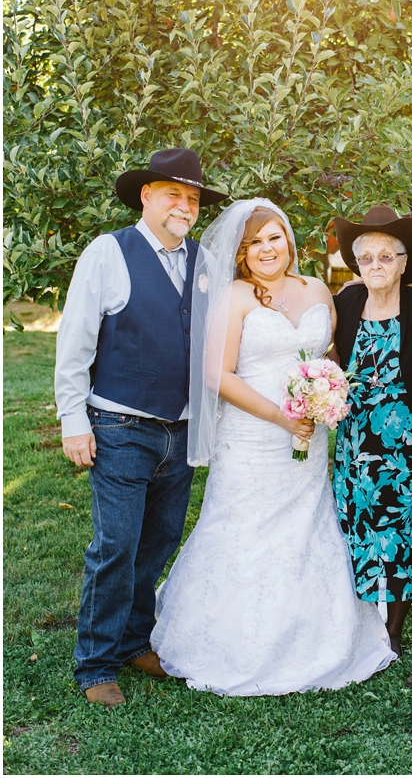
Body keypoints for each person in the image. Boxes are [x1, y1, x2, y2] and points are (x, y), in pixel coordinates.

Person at [151, 199, 398, 695]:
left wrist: (328, 399)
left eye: (274, 237)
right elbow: (217, 375)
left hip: (310, 436)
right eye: (254, 243)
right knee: (243, 525)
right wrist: (282, 417)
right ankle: (230, 642)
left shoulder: (316, 289)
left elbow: (332, 358)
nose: (267, 249)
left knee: (306, 524)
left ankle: (314, 637)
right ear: (241, 253)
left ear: (289, 240)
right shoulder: (236, 297)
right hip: (251, 437)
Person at [55, 148, 227, 706]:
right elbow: (74, 343)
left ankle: (133, 641)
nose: (184, 205)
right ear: (146, 196)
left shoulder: (204, 261)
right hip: (119, 425)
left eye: (193, 198)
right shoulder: (109, 252)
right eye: (172, 194)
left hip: (180, 431)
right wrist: (72, 420)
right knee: (116, 545)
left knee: (157, 543)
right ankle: (96, 662)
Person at [331, 205, 412, 656]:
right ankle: (361, 614)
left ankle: (392, 628)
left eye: (386, 256)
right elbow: (330, 355)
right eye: (367, 258)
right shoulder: (347, 302)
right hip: (355, 441)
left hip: (405, 442)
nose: (375, 265)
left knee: (402, 529)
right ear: (356, 265)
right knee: (356, 523)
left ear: (403, 261)